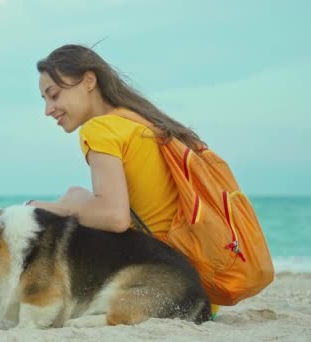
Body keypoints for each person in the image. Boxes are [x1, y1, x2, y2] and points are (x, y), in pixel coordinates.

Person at [27, 43, 219, 317]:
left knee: (59, 213)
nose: (48, 109)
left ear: (89, 81)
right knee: (74, 196)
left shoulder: (100, 129)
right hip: (197, 282)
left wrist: (40, 208)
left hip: (159, 282)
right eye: (44, 100)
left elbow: (115, 217)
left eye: (54, 95)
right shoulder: (138, 121)